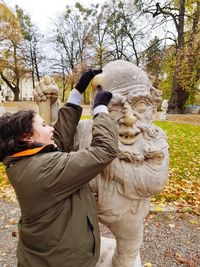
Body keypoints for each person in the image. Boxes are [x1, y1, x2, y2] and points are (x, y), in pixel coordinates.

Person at [0, 69, 118, 267]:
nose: (51, 128)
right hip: (65, 261)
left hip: (45, 257)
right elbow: (104, 150)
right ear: (27, 137)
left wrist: (76, 93)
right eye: (44, 125)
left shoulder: (24, 161)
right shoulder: (44, 169)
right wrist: (100, 110)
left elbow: (58, 142)